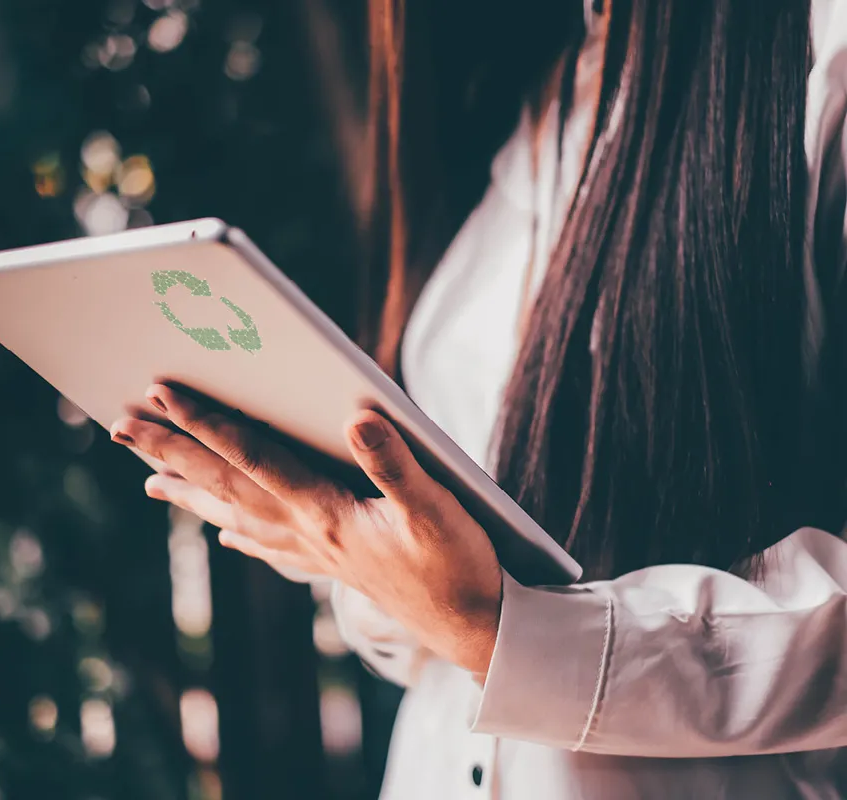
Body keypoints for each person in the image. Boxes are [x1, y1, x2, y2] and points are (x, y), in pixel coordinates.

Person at [108, 0, 847, 796]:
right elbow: (432, 640)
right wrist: (357, 558)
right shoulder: (519, 89)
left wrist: (506, 632)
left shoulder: (819, 64)